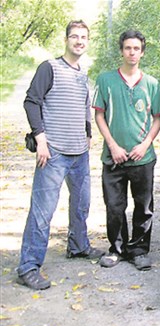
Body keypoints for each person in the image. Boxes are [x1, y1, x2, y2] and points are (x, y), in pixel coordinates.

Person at [16, 20, 104, 290]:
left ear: (87, 42)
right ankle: (28, 266)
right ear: (66, 40)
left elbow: (82, 108)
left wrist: (88, 133)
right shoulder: (49, 68)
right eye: (74, 36)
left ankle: (78, 246)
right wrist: (40, 139)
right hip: (52, 153)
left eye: (83, 37)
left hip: (79, 153)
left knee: (81, 205)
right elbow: (32, 101)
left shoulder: (82, 74)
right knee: (43, 212)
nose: (79, 41)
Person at [93, 30, 160, 271]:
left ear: (142, 52)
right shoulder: (106, 80)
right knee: (114, 205)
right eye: (127, 48)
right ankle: (116, 248)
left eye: (136, 48)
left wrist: (145, 144)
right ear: (121, 51)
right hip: (113, 157)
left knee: (143, 206)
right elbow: (99, 115)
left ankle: (139, 249)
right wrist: (112, 145)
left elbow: (157, 119)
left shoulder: (152, 84)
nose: (132, 52)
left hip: (143, 158)